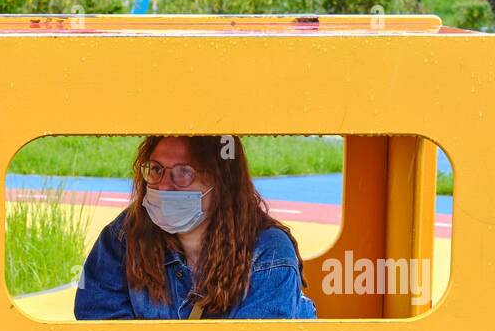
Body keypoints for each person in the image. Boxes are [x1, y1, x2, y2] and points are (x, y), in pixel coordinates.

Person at [74, 135, 317, 320]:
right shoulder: (125, 234)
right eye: (156, 169)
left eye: (183, 173)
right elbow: (100, 329)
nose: (164, 186)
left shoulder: (269, 252)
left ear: (220, 181)